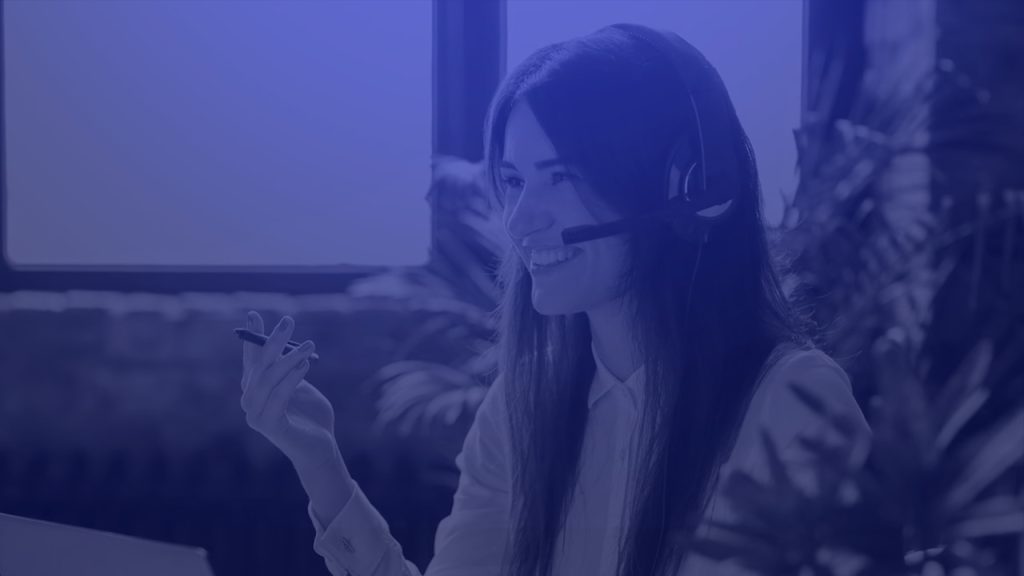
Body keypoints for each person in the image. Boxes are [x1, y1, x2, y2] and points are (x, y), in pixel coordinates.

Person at [239, 23, 870, 576]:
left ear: (686, 191)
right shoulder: (522, 406)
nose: (520, 221)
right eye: (514, 180)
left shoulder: (792, 402)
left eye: (561, 177)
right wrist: (320, 464)